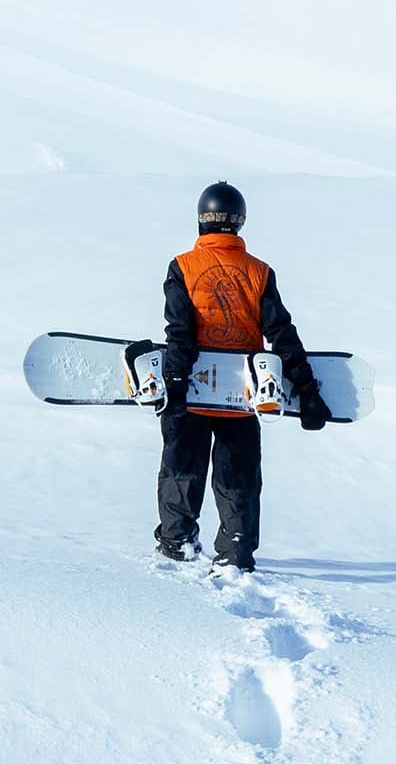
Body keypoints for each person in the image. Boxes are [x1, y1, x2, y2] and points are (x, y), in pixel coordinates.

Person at [155, 180, 329, 573]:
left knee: (182, 468)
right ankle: (235, 552)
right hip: (242, 396)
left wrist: (175, 382)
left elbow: (180, 331)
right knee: (238, 477)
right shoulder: (259, 272)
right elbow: (281, 334)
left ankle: (176, 542)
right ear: (239, 221)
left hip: (193, 394)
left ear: (201, 219)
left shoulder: (182, 266)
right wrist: (307, 391)